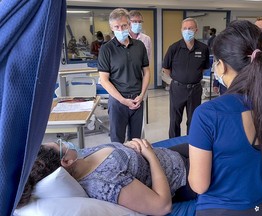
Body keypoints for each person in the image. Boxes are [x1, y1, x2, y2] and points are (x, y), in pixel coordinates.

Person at [188, 20, 262, 216]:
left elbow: (199, 185)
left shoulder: (209, 114)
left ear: (222, 65)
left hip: (221, 210)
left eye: (215, 62)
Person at [18, 139, 196, 215]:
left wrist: (127, 147)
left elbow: (114, 154)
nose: (63, 142)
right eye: (59, 144)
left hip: (168, 154)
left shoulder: (80, 158)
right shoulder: (104, 183)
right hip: (181, 173)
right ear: (65, 161)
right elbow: (162, 206)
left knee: (213, 139)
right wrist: (150, 155)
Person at [98, 8, 150, 143]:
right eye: (116, 27)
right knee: (117, 141)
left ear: (129, 24)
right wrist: (122, 100)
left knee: (136, 140)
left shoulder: (139, 46)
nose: (120, 29)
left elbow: (146, 72)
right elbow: (104, 80)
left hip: (137, 100)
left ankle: (136, 163)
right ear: (111, 27)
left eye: (124, 25)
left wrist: (141, 95)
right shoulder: (106, 49)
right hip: (117, 102)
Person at [162, 17, 210, 138]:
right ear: (181, 30)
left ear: (196, 30)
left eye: (190, 28)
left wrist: (192, 76)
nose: (187, 31)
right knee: (175, 120)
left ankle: (191, 144)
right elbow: (166, 69)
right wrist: (178, 79)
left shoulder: (203, 48)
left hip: (195, 90)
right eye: (185, 28)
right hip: (178, 89)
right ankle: (173, 145)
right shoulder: (174, 48)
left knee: (193, 120)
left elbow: (204, 67)